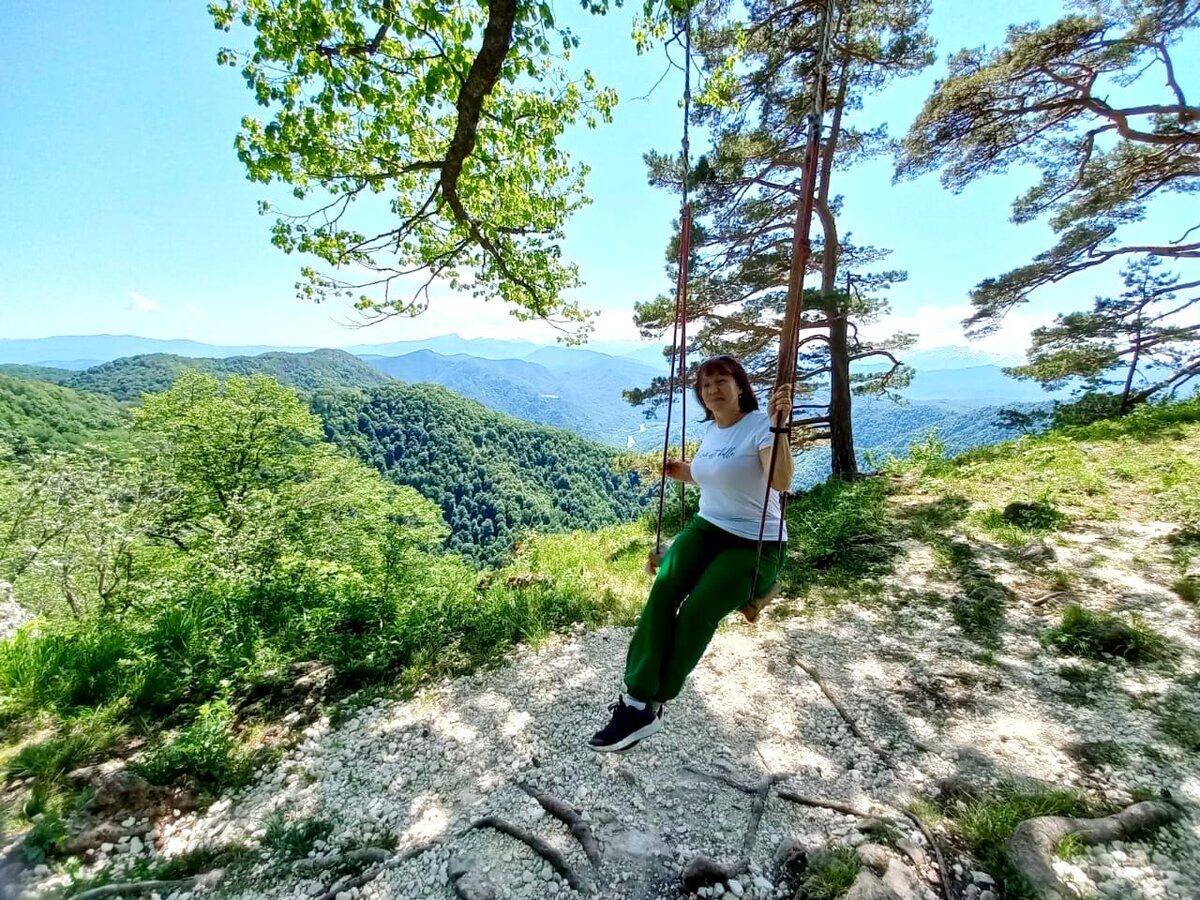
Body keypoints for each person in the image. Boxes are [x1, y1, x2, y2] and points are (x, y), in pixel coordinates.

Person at [588, 354, 794, 752]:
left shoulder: (760, 427)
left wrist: (780, 427)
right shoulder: (714, 432)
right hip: (706, 529)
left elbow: (781, 480)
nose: (712, 389)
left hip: (756, 543)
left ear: (740, 387)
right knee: (663, 592)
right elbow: (711, 473)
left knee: (697, 609)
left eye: (721, 381)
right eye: (705, 385)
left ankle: (653, 704)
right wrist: (681, 471)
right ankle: (635, 696)